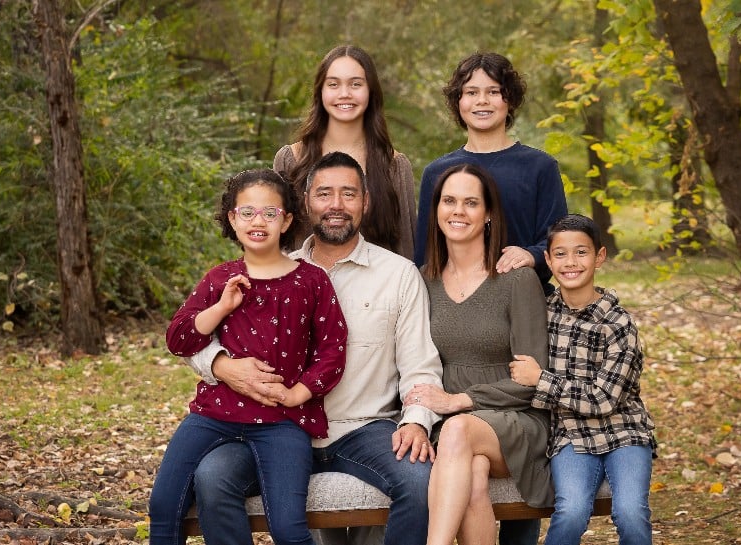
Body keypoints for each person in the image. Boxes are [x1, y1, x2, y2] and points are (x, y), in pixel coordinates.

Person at [187, 151, 443, 545]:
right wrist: (221, 365)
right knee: (212, 476)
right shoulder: (269, 268)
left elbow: (419, 366)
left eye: (348, 194)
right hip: (274, 427)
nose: (336, 205)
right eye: (324, 193)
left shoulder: (398, 275)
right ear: (305, 203)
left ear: (366, 202)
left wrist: (415, 420)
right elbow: (195, 338)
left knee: (419, 479)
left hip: (363, 428)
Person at [150, 169, 349, 545]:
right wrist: (221, 308)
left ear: (286, 219)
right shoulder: (219, 279)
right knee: (164, 507)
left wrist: (297, 394)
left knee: (288, 527)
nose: (258, 222)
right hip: (214, 415)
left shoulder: (311, 281)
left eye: (270, 213)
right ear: (232, 218)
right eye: (247, 212)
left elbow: (333, 350)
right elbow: (178, 337)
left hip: (283, 422)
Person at [405, 163, 552, 545]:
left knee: (458, 431)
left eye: (471, 203)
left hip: (516, 417)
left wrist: (461, 400)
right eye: (449, 201)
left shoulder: (517, 279)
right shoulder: (424, 280)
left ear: (488, 214)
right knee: (471, 478)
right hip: (452, 423)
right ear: (435, 209)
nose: (458, 211)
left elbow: (534, 380)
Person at [509, 214, 658, 545]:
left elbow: (603, 400)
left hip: (624, 431)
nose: (570, 262)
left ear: (599, 257)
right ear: (547, 260)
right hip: (569, 435)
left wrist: (541, 381)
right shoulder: (542, 313)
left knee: (631, 512)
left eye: (581, 252)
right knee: (572, 510)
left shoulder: (619, 324)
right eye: (560, 254)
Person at [414, 51, 568, 296]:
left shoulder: (540, 167)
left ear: (511, 101)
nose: (482, 100)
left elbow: (559, 242)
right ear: (458, 101)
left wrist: (531, 254)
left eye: (494, 92)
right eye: (472, 92)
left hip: (523, 300)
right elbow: (425, 252)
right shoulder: (437, 173)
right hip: (454, 304)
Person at [276, 45, 416, 260]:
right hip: (305, 291)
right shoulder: (291, 160)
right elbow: (276, 246)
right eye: (333, 84)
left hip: (377, 292)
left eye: (356, 84)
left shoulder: (394, 166)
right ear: (320, 92)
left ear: (371, 91)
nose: (344, 94)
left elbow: (407, 250)